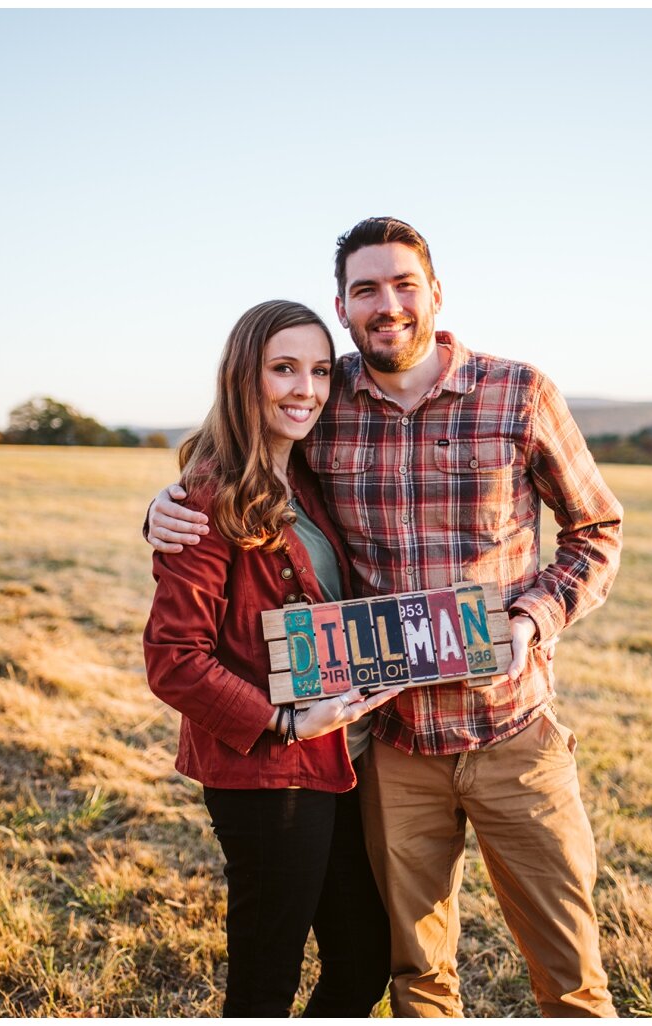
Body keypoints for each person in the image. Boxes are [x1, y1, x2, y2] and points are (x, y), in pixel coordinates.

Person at [147, 218, 624, 1017]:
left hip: (513, 730)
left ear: (435, 293)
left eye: (403, 283)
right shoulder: (325, 397)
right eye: (366, 288)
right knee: (414, 977)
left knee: (571, 977)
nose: (387, 303)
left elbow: (596, 531)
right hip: (392, 746)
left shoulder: (518, 392)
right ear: (343, 304)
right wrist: (165, 508)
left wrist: (533, 620)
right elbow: (231, 460)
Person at [143, 299, 401, 1017]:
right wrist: (285, 721)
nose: (306, 389)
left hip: (336, 764)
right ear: (243, 377)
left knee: (362, 958)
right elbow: (173, 657)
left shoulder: (309, 482)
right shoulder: (208, 494)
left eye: (320, 371)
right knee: (265, 980)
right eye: (283, 368)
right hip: (266, 776)